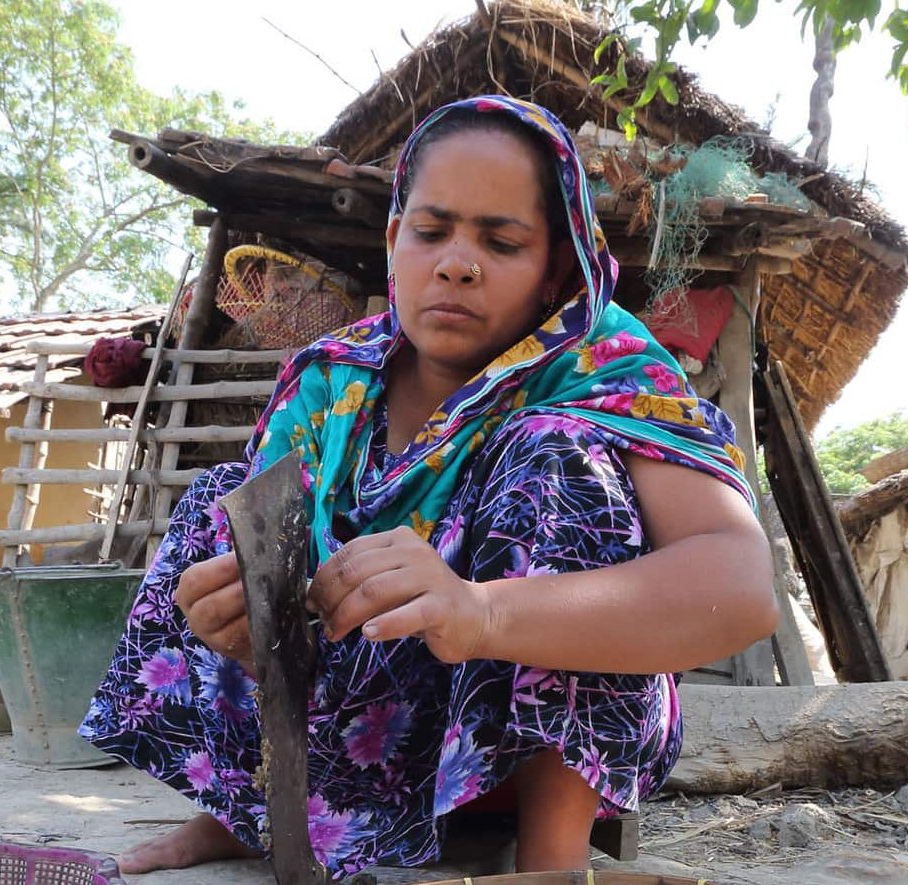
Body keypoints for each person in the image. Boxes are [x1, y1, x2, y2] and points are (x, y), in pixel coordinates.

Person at [80, 96, 775, 879]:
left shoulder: (601, 367)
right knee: (231, 503)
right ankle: (250, 809)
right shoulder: (330, 380)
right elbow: (287, 590)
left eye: (501, 241)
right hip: (352, 734)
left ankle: (552, 851)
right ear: (394, 241)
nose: (457, 263)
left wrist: (477, 612)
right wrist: (248, 631)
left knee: (559, 458)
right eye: (432, 231)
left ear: (555, 268)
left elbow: (741, 587)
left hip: (497, 749)